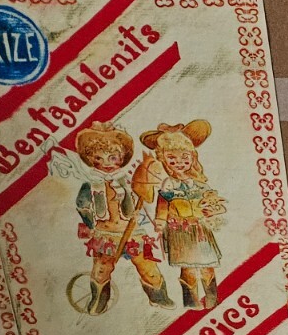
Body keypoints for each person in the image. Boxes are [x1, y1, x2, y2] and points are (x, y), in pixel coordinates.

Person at [72, 121, 172, 313]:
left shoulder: (126, 182)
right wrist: (91, 224)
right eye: (99, 158)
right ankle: (99, 301)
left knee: (147, 265)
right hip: (106, 233)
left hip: (132, 231)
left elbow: (142, 198)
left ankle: (159, 297)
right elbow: (82, 205)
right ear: (91, 159)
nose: (106, 163)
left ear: (122, 157)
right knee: (102, 268)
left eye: (112, 157)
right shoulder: (91, 184)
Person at [134, 120, 226, 309]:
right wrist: (160, 221)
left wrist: (212, 211)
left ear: (193, 157)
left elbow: (212, 202)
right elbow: (163, 204)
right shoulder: (169, 184)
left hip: (200, 230)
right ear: (163, 159)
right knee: (188, 269)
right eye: (172, 158)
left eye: (185, 158)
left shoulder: (199, 184)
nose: (179, 163)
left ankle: (212, 299)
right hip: (180, 231)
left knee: (207, 267)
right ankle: (191, 302)